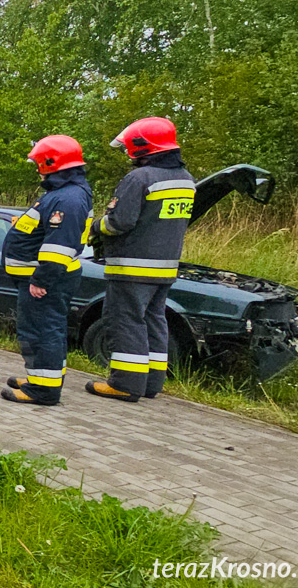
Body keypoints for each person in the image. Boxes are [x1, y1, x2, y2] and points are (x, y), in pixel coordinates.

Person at [85, 117, 195, 403]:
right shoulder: (186, 179)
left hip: (132, 265)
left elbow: (119, 222)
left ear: (141, 146)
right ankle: (151, 383)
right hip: (165, 267)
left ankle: (125, 383)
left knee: (125, 320)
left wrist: (96, 227)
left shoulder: (139, 178)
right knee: (154, 320)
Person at [0, 135, 93, 405]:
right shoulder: (65, 193)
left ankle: (43, 390)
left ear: (51, 163)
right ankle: (42, 378)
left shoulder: (68, 199)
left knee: (42, 330)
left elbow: (59, 246)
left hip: (45, 280)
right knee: (46, 328)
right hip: (44, 278)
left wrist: (42, 279)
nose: (38, 169)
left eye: (39, 164)